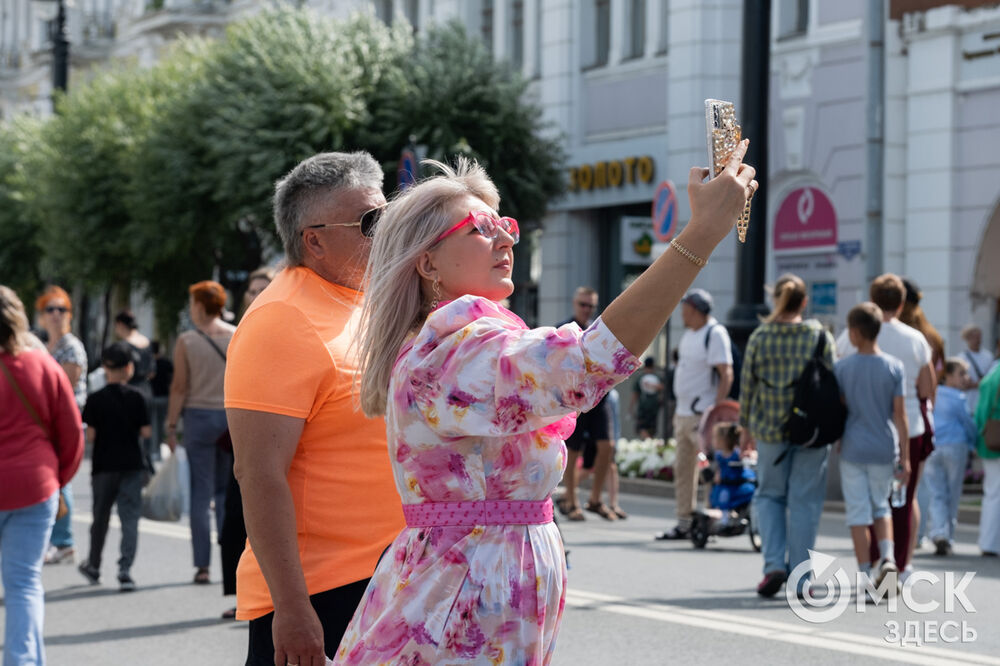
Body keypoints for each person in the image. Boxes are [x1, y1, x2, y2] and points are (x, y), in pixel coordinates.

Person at [335, 144, 757, 664]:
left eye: (504, 224)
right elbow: (588, 362)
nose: (505, 237)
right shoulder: (451, 347)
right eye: (479, 230)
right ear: (428, 263)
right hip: (460, 597)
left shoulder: (463, 338)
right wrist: (699, 236)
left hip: (475, 587)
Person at [224, 151, 405, 665]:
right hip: (323, 592)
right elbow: (258, 474)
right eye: (370, 221)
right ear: (315, 240)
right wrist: (292, 607)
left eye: (385, 214)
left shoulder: (370, 299)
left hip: (388, 577)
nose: (385, 230)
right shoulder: (281, 319)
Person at [0, 285, 84, 665]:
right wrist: (57, 480)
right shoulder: (41, 363)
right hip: (35, 485)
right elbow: (70, 431)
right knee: (24, 584)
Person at [739, 273, 834, 597]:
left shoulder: (760, 337)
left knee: (769, 496)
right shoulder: (819, 335)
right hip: (811, 433)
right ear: (804, 302)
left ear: (775, 298)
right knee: (805, 503)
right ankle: (802, 578)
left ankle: (773, 566)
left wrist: (745, 428)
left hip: (769, 432)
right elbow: (832, 381)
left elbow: (748, 386)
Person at [837, 273, 936, 581]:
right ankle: (900, 564)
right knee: (900, 502)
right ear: (902, 302)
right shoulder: (913, 340)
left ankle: (868, 569)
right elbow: (926, 389)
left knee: (860, 507)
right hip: (900, 435)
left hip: (855, 435)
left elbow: (838, 394)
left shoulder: (846, 344)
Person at [834, 303, 909, 589]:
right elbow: (899, 415)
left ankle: (865, 576)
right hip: (883, 446)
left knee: (857, 513)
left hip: (853, 446)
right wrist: (905, 456)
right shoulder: (893, 366)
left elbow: (840, 409)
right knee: (882, 507)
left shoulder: (842, 368)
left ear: (854, 333)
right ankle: (888, 559)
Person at [166, 280, 236, 585]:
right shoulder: (236, 335)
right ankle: (227, 564)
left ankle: (202, 565)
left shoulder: (187, 341)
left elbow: (179, 387)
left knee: (200, 493)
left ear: (198, 305)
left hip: (197, 419)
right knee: (224, 494)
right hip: (230, 420)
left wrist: (171, 425)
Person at [219, 267, 276, 621]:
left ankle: (269, 598)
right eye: (252, 290)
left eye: (263, 288)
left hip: (273, 434)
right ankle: (243, 596)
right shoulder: (239, 331)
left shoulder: (285, 327)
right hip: (239, 433)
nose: (256, 295)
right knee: (234, 520)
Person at [656, 288, 733, 540]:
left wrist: (716, 410)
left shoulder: (715, 333)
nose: (682, 313)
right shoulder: (690, 334)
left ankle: (710, 521)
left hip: (703, 414)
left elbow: (726, 373)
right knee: (684, 468)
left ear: (695, 309)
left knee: (708, 470)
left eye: (685, 308)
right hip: (684, 412)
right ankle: (684, 522)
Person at [77, 342, 151, 592]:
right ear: (129, 368)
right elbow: (146, 431)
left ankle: (94, 565)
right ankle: (125, 570)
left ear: (105, 368)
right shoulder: (138, 397)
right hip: (132, 464)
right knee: (129, 519)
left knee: (100, 517)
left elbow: (91, 437)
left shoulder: (95, 400)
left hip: (104, 466)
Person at [557, 287, 619, 521]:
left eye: (591, 306)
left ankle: (595, 499)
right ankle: (571, 500)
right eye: (583, 305)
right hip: (574, 395)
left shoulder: (597, 329)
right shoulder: (564, 328)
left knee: (608, 446)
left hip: (597, 395)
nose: (586, 310)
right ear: (575, 303)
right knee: (573, 450)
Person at [36, 285, 87, 566]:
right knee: (52, 480)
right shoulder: (45, 347)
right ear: (41, 315)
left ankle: (65, 542)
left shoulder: (71, 347)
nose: (56, 315)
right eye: (50, 309)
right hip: (47, 423)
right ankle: (57, 539)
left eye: (62, 309)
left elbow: (64, 390)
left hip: (67, 421)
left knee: (61, 479)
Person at [927, 358, 978, 555]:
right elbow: (969, 424)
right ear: (947, 375)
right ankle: (947, 536)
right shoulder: (958, 398)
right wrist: (973, 443)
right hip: (955, 446)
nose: (966, 378)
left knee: (937, 492)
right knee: (952, 493)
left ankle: (939, 532)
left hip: (933, 446)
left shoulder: (934, 393)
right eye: (961, 373)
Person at [114, 310, 155, 460]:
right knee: (146, 430)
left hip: (129, 390)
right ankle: (146, 462)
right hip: (146, 388)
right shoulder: (147, 342)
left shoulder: (123, 345)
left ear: (119, 324)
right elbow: (152, 372)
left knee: (128, 431)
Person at [975, 361, 1000, 557]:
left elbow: (980, 412)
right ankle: (991, 543)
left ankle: (989, 541)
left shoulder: (992, 373)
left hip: (988, 437)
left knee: (992, 493)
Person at [709, 422, 756, 526]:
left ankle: (730, 516)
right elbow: (719, 468)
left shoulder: (736, 453)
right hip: (726, 483)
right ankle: (724, 516)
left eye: (715, 438)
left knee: (730, 496)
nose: (713, 441)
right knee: (723, 496)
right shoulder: (719, 455)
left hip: (736, 482)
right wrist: (717, 476)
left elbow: (747, 458)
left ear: (724, 440)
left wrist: (750, 455)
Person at [961, 325, 995, 413]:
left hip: (985, 402)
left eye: (978, 337)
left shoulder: (988, 356)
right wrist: (979, 384)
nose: (977, 340)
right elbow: (962, 383)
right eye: (973, 337)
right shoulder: (961, 358)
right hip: (969, 402)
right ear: (967, 339)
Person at [149, 340, 173, 451]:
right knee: (162, 424)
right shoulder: (167, 363)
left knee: (153, 424)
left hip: (152, 397)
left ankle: (153, 449)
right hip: (165, 397)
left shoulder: (149, 364)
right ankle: (159, 447)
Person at [632, 357, 664, 439]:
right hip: (651, 406)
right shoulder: (656, 377)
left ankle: (648, 442)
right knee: (647, 428)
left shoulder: (641, 378)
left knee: (644, 428)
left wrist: (631, 407)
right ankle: (649, 442)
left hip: (646, 406)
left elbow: (635, 394)